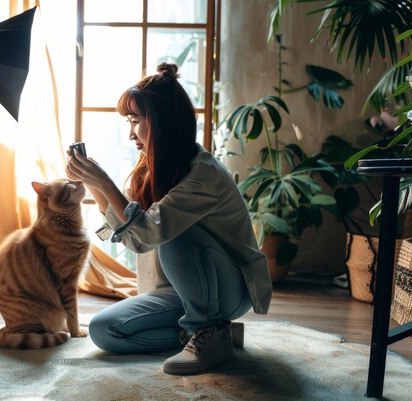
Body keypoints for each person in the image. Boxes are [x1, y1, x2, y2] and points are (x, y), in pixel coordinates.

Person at [65, 62, 272, 376]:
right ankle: (213, 335)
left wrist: (105, 183)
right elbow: (132, 238)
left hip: (228, 288)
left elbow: (150, 233)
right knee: (104, 330)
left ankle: (206, 328)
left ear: (161, 122)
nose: (131, 132)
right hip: (172, 289)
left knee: (179, 234)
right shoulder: (149, 170)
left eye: (135, 120)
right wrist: (94, 183)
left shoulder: (203, 174)